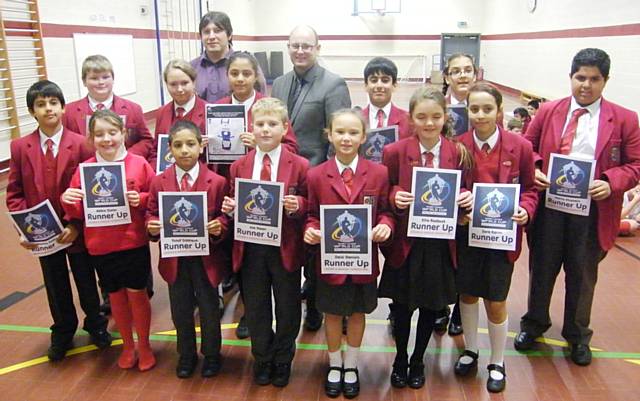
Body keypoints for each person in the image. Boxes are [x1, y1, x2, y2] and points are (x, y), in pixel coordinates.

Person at [516, 48, 640, 366]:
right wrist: (538, 168)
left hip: (593, 211)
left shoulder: (625, 119)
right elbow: (527, 148)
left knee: (582, 275)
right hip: (550, 208)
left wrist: (612, 182)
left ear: (605, 81)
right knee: (541, 270)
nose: (586, 85)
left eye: (594, 79)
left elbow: (636, 164)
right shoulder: (547, 111)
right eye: (580, 77)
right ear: (570, 77)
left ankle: (577, 335)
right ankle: (534, 324)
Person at [6, 80, 111, 361]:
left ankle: (96, 324)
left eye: (53, 102)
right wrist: (25, 228)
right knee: (55, 284)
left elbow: (92, 191)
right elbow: (15, 192)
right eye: (41, 104)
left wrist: (76, 225)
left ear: (63, 107)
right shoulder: (20, 147)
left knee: (86, 279)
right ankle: (63, 330)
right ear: (32, 111)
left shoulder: (81, 144)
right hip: (43, 234)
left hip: (76, 230)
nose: (48, 108)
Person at [378, 87, 473, 389]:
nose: (429, 123)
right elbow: (386, 188)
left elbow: (466, 189)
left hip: (440, 245)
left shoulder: (457, 152)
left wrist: (464, 201)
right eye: (422, 117)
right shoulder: (394, 151)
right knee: (403, 306)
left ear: (446, 117)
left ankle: (418, 359)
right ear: (411, 118)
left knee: (431, 307)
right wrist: (396, 196)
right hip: (407, 242)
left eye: (435, 116)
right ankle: (400, 358)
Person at [454, 82, 537, 393]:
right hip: (467, 235)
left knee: (496, 300)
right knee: (468, 294)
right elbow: (454, 185)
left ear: (499, 111)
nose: (480, 114)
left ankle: (497, 361)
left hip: (502, 238)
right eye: (474, 109)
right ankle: (471, 351)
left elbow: (530, 189)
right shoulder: (458, 146)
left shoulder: (521, 147)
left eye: (487, 108)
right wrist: (461, 200)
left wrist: (526, 210)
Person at [304, 109, 393, 399]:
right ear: (329, 134)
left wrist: (384, 226)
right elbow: (311, 215)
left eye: (353, 132)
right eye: (339, 132)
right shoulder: (316, 174)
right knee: (331, 313)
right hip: (331, 261)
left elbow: (386, 212)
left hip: (363, 261)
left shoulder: (378, 173)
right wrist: (311, 230)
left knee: (357, 313)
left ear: (364, 137)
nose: (346, 138)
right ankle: (334, 365)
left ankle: (351, 365)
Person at [221, 97, 308, 387]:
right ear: (251, 128)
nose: (266, 130)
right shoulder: (239, 166)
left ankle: (283, 358)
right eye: (260, 124)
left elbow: (310, 201)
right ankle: (262, 357)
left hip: (286, 247)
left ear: (285, 128)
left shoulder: (301, 165)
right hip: (251, 249)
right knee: (256, 307)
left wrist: (298, 204)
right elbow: (234, 200)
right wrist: (231, 208)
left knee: (287, 308)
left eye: (273, 124)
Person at [61, 110, 156, 371]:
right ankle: (127, 346)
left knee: (137, 294)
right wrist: (67, 200)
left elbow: (154, 199)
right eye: (100, 134)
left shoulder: (139, 163)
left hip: (133, 242)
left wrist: (143, 199)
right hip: (100, 246)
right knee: (115, 297)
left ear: (123, 134)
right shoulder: (84, 170)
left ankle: (145, 345)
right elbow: (78, 213)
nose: (107, 139)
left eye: (112, 132)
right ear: (91, 138)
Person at [271, 25, 351, 331]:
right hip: (283, 177)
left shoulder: (333, 84)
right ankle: (298, 295)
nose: (300, 51)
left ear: (318, 48)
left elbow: (340, 135)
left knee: (316, 245)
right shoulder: (278, 83)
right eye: (295, 45)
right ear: (288, 48)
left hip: (317, 176)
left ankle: (317, 304)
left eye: (306, 45)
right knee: (292, 243)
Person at [146, 120, 229, 378]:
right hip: (176, 258)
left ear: (200, 147)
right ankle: (186, 354)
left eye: (190, 144)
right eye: (178, 145)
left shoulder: (216, 181)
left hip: (206, 259)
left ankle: (212, 354)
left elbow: (226, 218)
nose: (184, 150)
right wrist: (152, 226)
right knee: (180, 310)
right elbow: (150, 214)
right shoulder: (159, 182)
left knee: (209, 309)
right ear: (169, 149)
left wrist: (220, 227)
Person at [436, 53, 480, 336]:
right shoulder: (438, 107)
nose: (462, 75)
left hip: (475, 196)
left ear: (475, 74)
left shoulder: (484, 105)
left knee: (466, 256)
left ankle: (459, 312)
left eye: (467, 70)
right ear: (447, 76)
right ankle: (439, 305)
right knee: (441, 252)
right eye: (456, 71)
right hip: (441, 194)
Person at [63, 55, 153, 158]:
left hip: (126, 168)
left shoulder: (134, 109)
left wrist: (127, 157)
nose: (101, 82)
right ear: (84, 81)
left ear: (113, 78)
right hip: (86, 169)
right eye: (94, 78)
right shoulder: (69, 112)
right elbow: (66, 145)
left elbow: (146, 140)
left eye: (105, 77)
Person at [190, 11, 266, 103]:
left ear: (229, 35)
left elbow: (261, 102)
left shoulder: (247, 65)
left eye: (217, 31)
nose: (211, 36)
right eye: (206, 32)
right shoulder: (192, 68)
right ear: (201, 37)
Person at [147, 59, 207, 171]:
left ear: (194, 82)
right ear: (166, 85)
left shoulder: (209, 112)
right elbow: (156, 149)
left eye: (184, 83)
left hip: (200, 177)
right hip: (168, 177)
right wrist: (155, 172)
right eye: (173, 84)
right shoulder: (162, 112)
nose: (179, 89)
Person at [361, 57, 410, 139]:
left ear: (394, 85)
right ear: (366, 86)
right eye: (374, 80)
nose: (379, 85)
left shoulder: (408, 120)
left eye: (385, 80)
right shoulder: (356, 119)